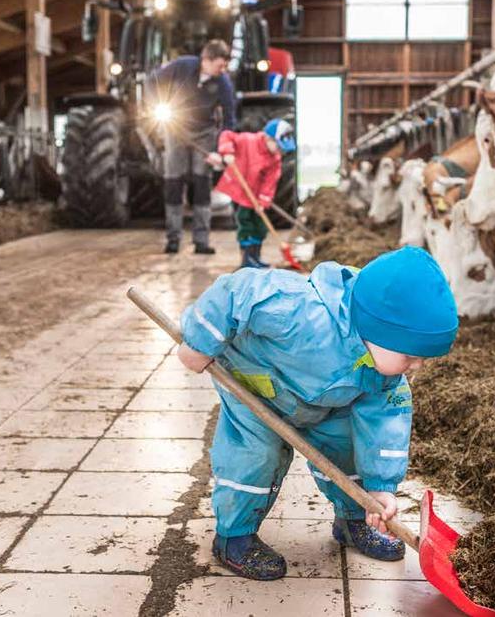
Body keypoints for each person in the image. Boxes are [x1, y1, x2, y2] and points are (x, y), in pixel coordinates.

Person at [175, 246, 459, 580]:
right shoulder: (299, 311)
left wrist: (381, 487)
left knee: (349, 445)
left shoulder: (386, 376)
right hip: (257, 387)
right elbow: (235, 292)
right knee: (255, 457)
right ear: (378, 329)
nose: (416, 367)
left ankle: (354, 519)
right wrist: (199, 341)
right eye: (410, 357)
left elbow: (385, 427)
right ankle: (234, 537)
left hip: (326, 402)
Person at [151, 39, 237, 255]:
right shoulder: (182, 66)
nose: (222, 69)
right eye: (219, 65)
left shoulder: (223, 83)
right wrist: (157, 105)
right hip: (176, 129)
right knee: (173, 182)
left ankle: (201, 241)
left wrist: (222, 150)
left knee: (201, 184)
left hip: (204, 134)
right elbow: (152, 81)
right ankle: (173, 239)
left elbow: (229, 119)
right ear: (206, 60)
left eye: (225, 65)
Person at [210, 119, 295, 269]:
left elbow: (270, 182)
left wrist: (263, 201)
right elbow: (227, 135)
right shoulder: (248, 140)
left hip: (254, 197)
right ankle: (246, 259)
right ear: (268, 138)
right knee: (246, 224)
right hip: (239, 190)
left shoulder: (275, 159)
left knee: (260, 226)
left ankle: (255, 257)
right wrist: (228, 152)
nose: (280, 151)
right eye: (278, 146)